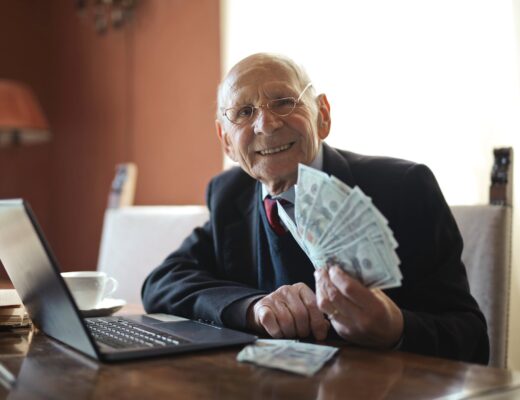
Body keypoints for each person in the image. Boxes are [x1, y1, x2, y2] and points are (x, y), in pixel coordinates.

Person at [142, 53, 489, 364]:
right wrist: (253, 307)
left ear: (322, 115)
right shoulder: (230, 194)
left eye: (283, 102)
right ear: (226, 141)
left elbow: (472, 339)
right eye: (245, 112)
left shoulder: (405, 187)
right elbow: (162, 282)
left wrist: (395, 327)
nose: (266, 123)